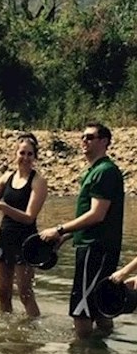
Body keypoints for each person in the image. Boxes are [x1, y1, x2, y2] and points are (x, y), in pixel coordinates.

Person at [39, 122, 125, 339]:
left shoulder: (104, 172)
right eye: (82, 137)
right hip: (94, 245)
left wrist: (58, 229)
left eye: (90, 137)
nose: (84, 141)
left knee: (82, 310)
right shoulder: (94, 171)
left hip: (95, 248)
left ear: (104, 142)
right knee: (99, 303)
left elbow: (97, 214)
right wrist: (68, 236)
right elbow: (92, 216)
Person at [0, 132, 47, 317]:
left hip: (26, 241)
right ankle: (6, 333)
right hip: (5, 239)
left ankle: (34, 331)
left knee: (25, 293)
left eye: (29, 154)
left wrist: (3, 207)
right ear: (15, 154)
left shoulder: (38, 182)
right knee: (3, 293)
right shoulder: (6, 177)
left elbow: (29, 217)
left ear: (35, 157)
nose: (25, 158)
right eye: (22, 153)